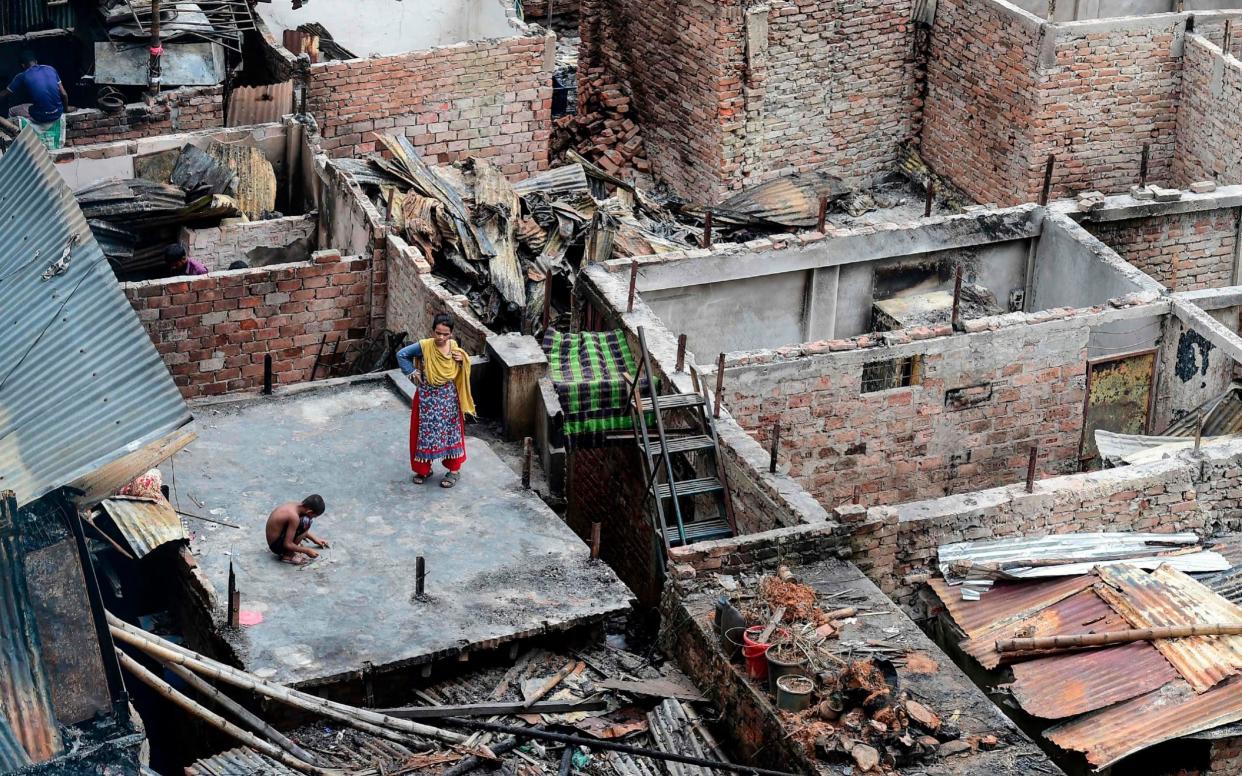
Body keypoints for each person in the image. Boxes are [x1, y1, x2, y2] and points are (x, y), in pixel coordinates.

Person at [396, 314, 475, 487]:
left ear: (451, 334)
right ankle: (423, 470)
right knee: (422, 433)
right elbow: (402, 355)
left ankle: (454, 471)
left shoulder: (454, 348)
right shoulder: (424, 346)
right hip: (427, 398)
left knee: (451, 433)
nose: (440, 337)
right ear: (433, 331)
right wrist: (411, 372)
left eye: (445, 334)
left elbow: (460, 368)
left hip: (448, 398)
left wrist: (463, 361)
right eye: (437, 333)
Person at [0, 52, 68, 150]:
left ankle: (17, 140)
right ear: (36, 62)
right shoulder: (51, 69)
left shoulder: (22, 75)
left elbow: (4, 93)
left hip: (41, 116)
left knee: (11, 111)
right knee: (34, 104)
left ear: (23, 65)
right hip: (57, 112)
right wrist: (65, 109)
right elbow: (64, 94)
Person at [265, 495, 328, 565]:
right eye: (313, 517)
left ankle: (291, 549)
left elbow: (295, 528)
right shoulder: (294, 517)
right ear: (309, 512)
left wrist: (315, 539)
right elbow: (287, 544)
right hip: (276, 547)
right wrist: (307, 551)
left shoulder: (296, 506)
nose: (312, 518)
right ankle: (288, 555)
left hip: (275, 538)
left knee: (304, 521)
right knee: (306, 521)